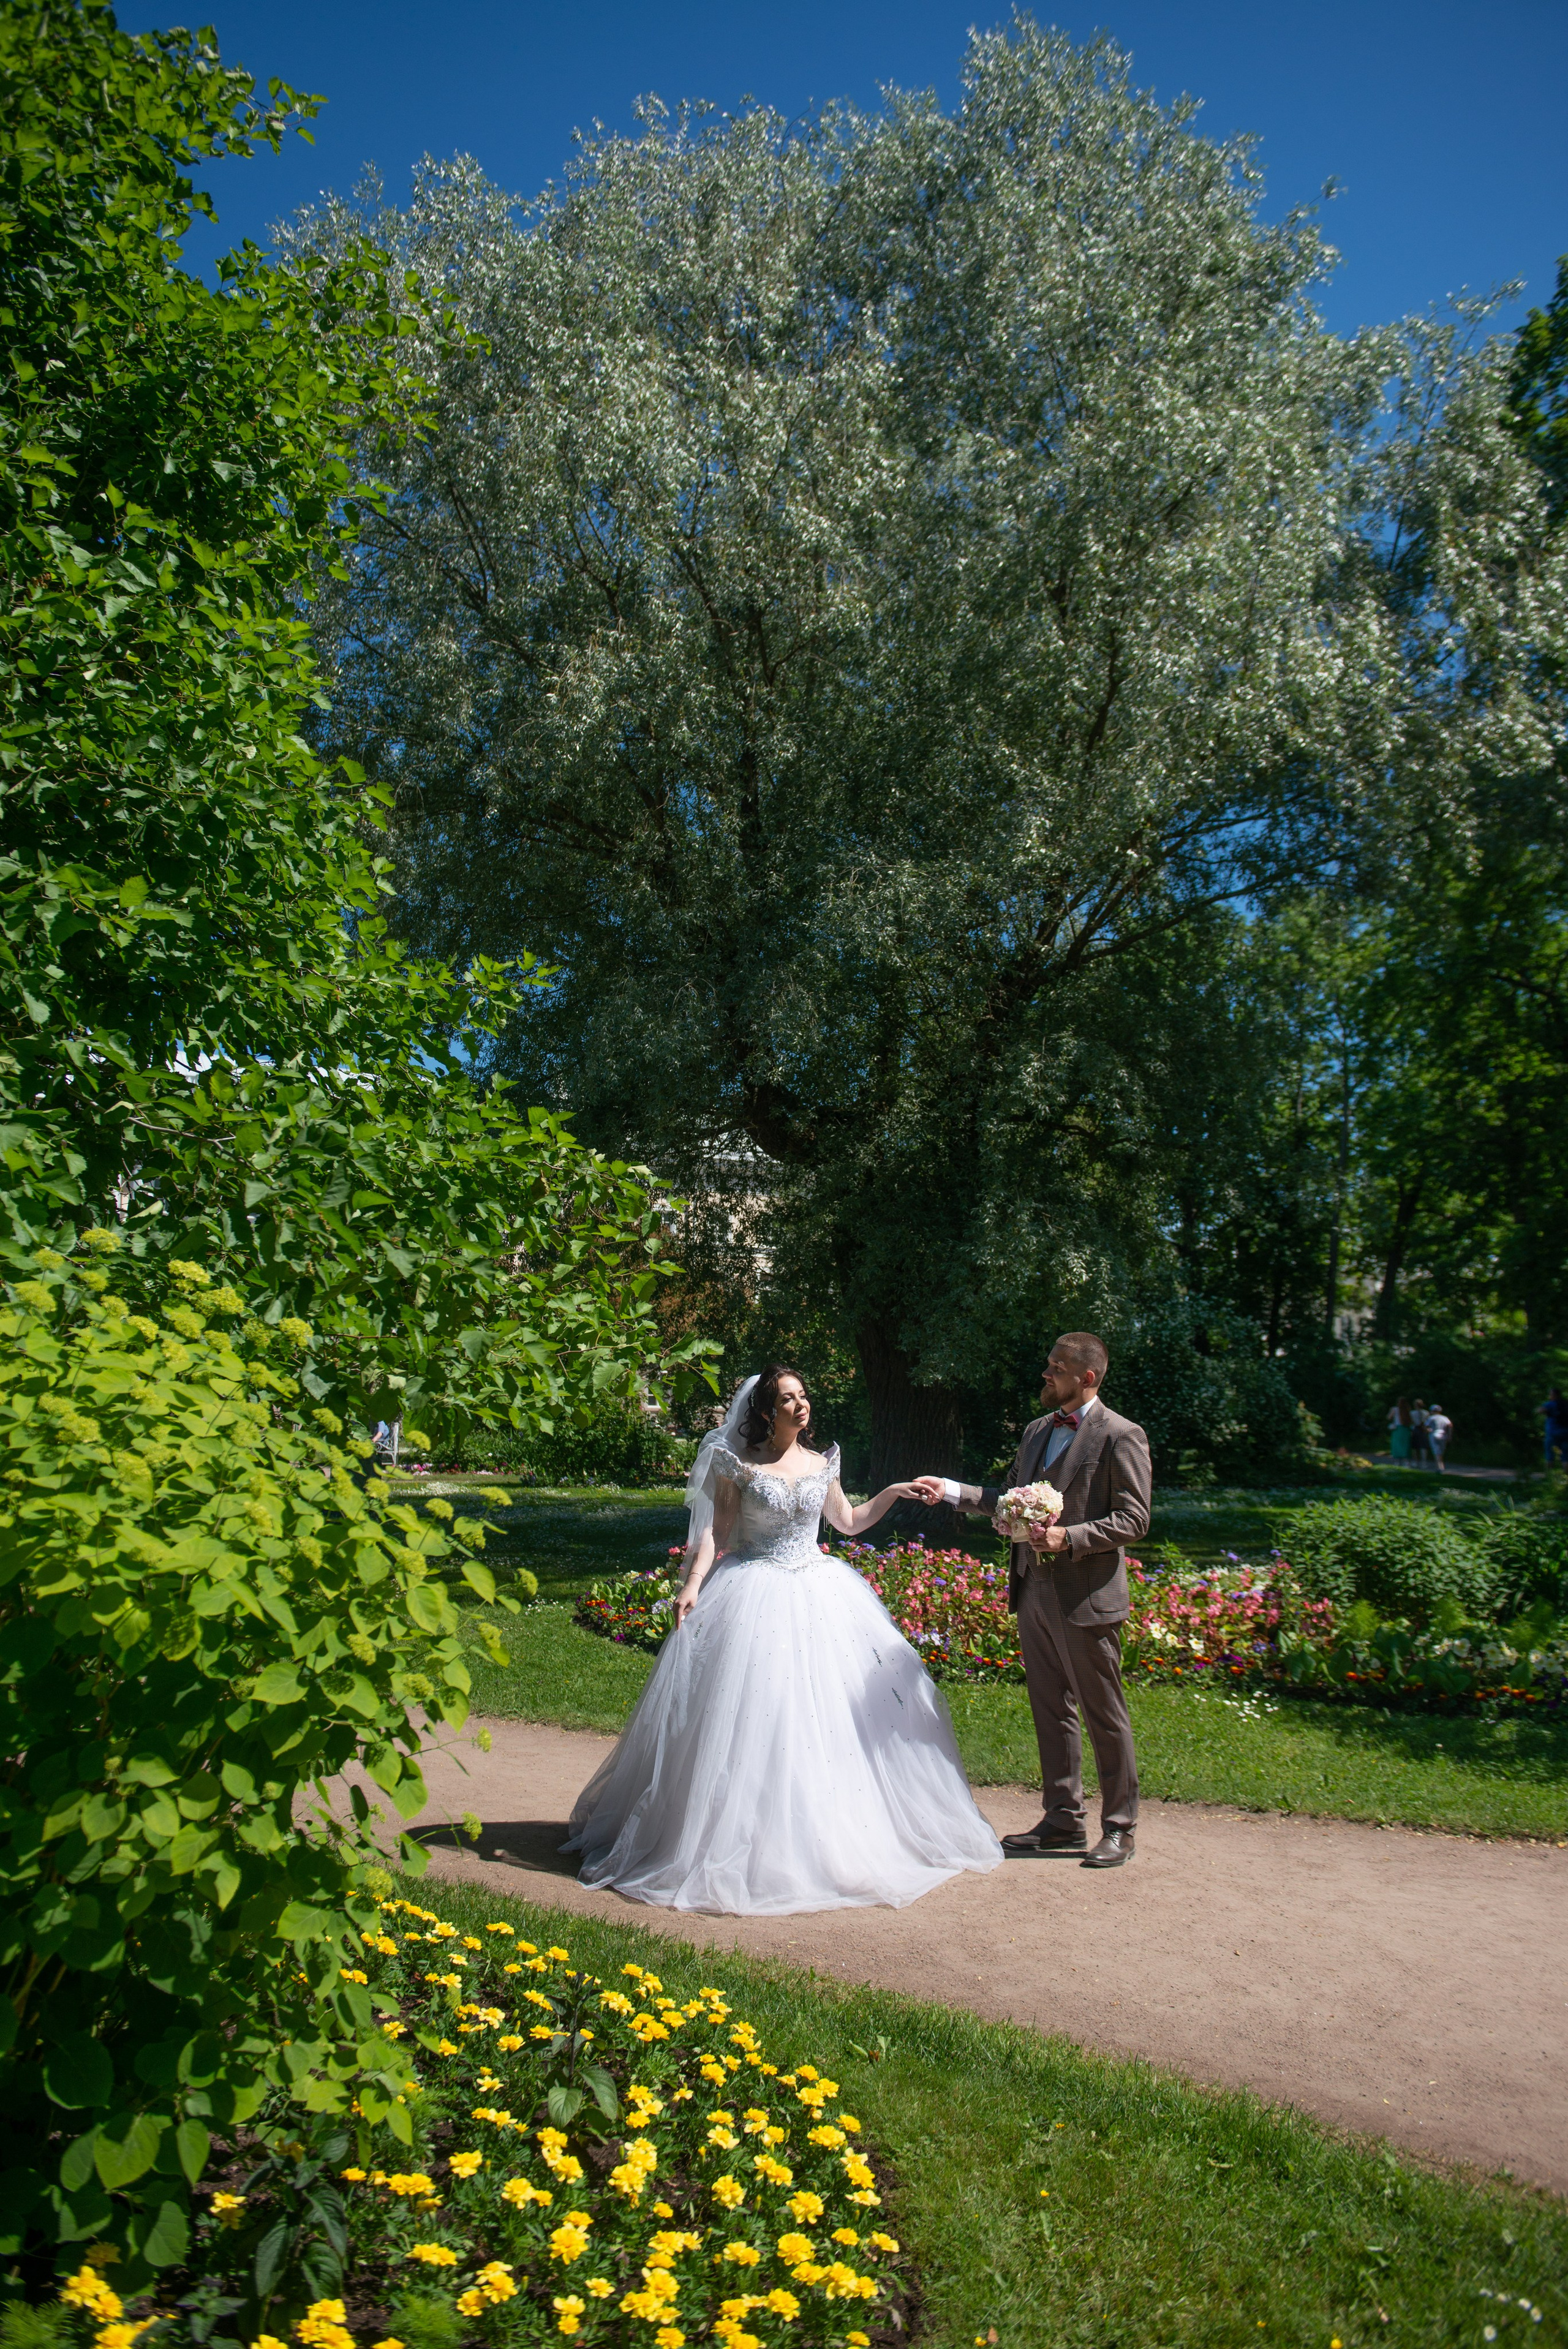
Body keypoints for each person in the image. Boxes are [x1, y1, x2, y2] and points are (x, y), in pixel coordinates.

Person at [564, 1365, 1003, 1914]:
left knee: (824, 1724)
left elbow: (846, 1521)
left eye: (804, 1395)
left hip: (819, 1595)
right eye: (789, 1399)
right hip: (752, 1596)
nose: (802, 1405)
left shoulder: (822, 1463)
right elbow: (718, 1532)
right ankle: (734, 1840)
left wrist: (892, 1491)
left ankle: (827, 1838)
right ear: (768, 1412)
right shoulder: (738, 1464)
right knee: (755, 1719)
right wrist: (694, 1584)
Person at [924, 1332, 1151, 1869]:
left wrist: (1068, 1537)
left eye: (1057, 1367)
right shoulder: (1034, 1433)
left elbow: (1134, 1517)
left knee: (1104, 1715)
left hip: (1086, 1596)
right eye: (1049, 1365)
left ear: (1087, 1377)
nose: (1046, 1374)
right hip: (1032, 1589)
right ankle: (1062, 1820)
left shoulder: (1122, 1435)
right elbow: (1008, 1499)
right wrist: (952, 1490)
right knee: (1051, 1711)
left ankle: (1119, 1827)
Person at [1540, 1386, 1568, 1471]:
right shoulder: (1566, 1404)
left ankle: (1549, 1478)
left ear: (1553, 1395)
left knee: (1549, 1454)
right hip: (1566, 1433)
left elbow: (1540, 1410)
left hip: (1553, 1433)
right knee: (1566, 1456)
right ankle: (1566, 1479)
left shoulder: (1551, 1404)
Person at [1427, 1403, 1452, 1472]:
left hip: (1434, 1435)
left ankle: (1439, 1468)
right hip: (1444, 1435)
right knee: (1441, 1451)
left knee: (1436, 1452)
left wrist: (1428, 1431)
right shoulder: (1445, 1418)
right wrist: (1449, 1436)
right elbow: (1450, 1426)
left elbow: (1426, 1427)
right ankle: (1441, 1466)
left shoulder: (1431, 1418)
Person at [1388, 1395, 1412, 1466]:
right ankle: (1407, 1462)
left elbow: (1389, 1417)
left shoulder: (1395, 1409)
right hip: (1406, 1429)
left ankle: (1397, 1462)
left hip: (1398, 1429)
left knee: (1397, 1445)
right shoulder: (1408, 1410)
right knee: (1406, 1445)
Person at [1410, 1399, 1432, 1471]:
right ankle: (1423, 1462)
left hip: (1416, 1429)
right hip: (1423, 1429)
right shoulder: (1426, 1413)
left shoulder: (1412, 1413)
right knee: (1423, 1447)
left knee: (1415, 1447)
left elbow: (1412, 1422)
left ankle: (1416, 1462)